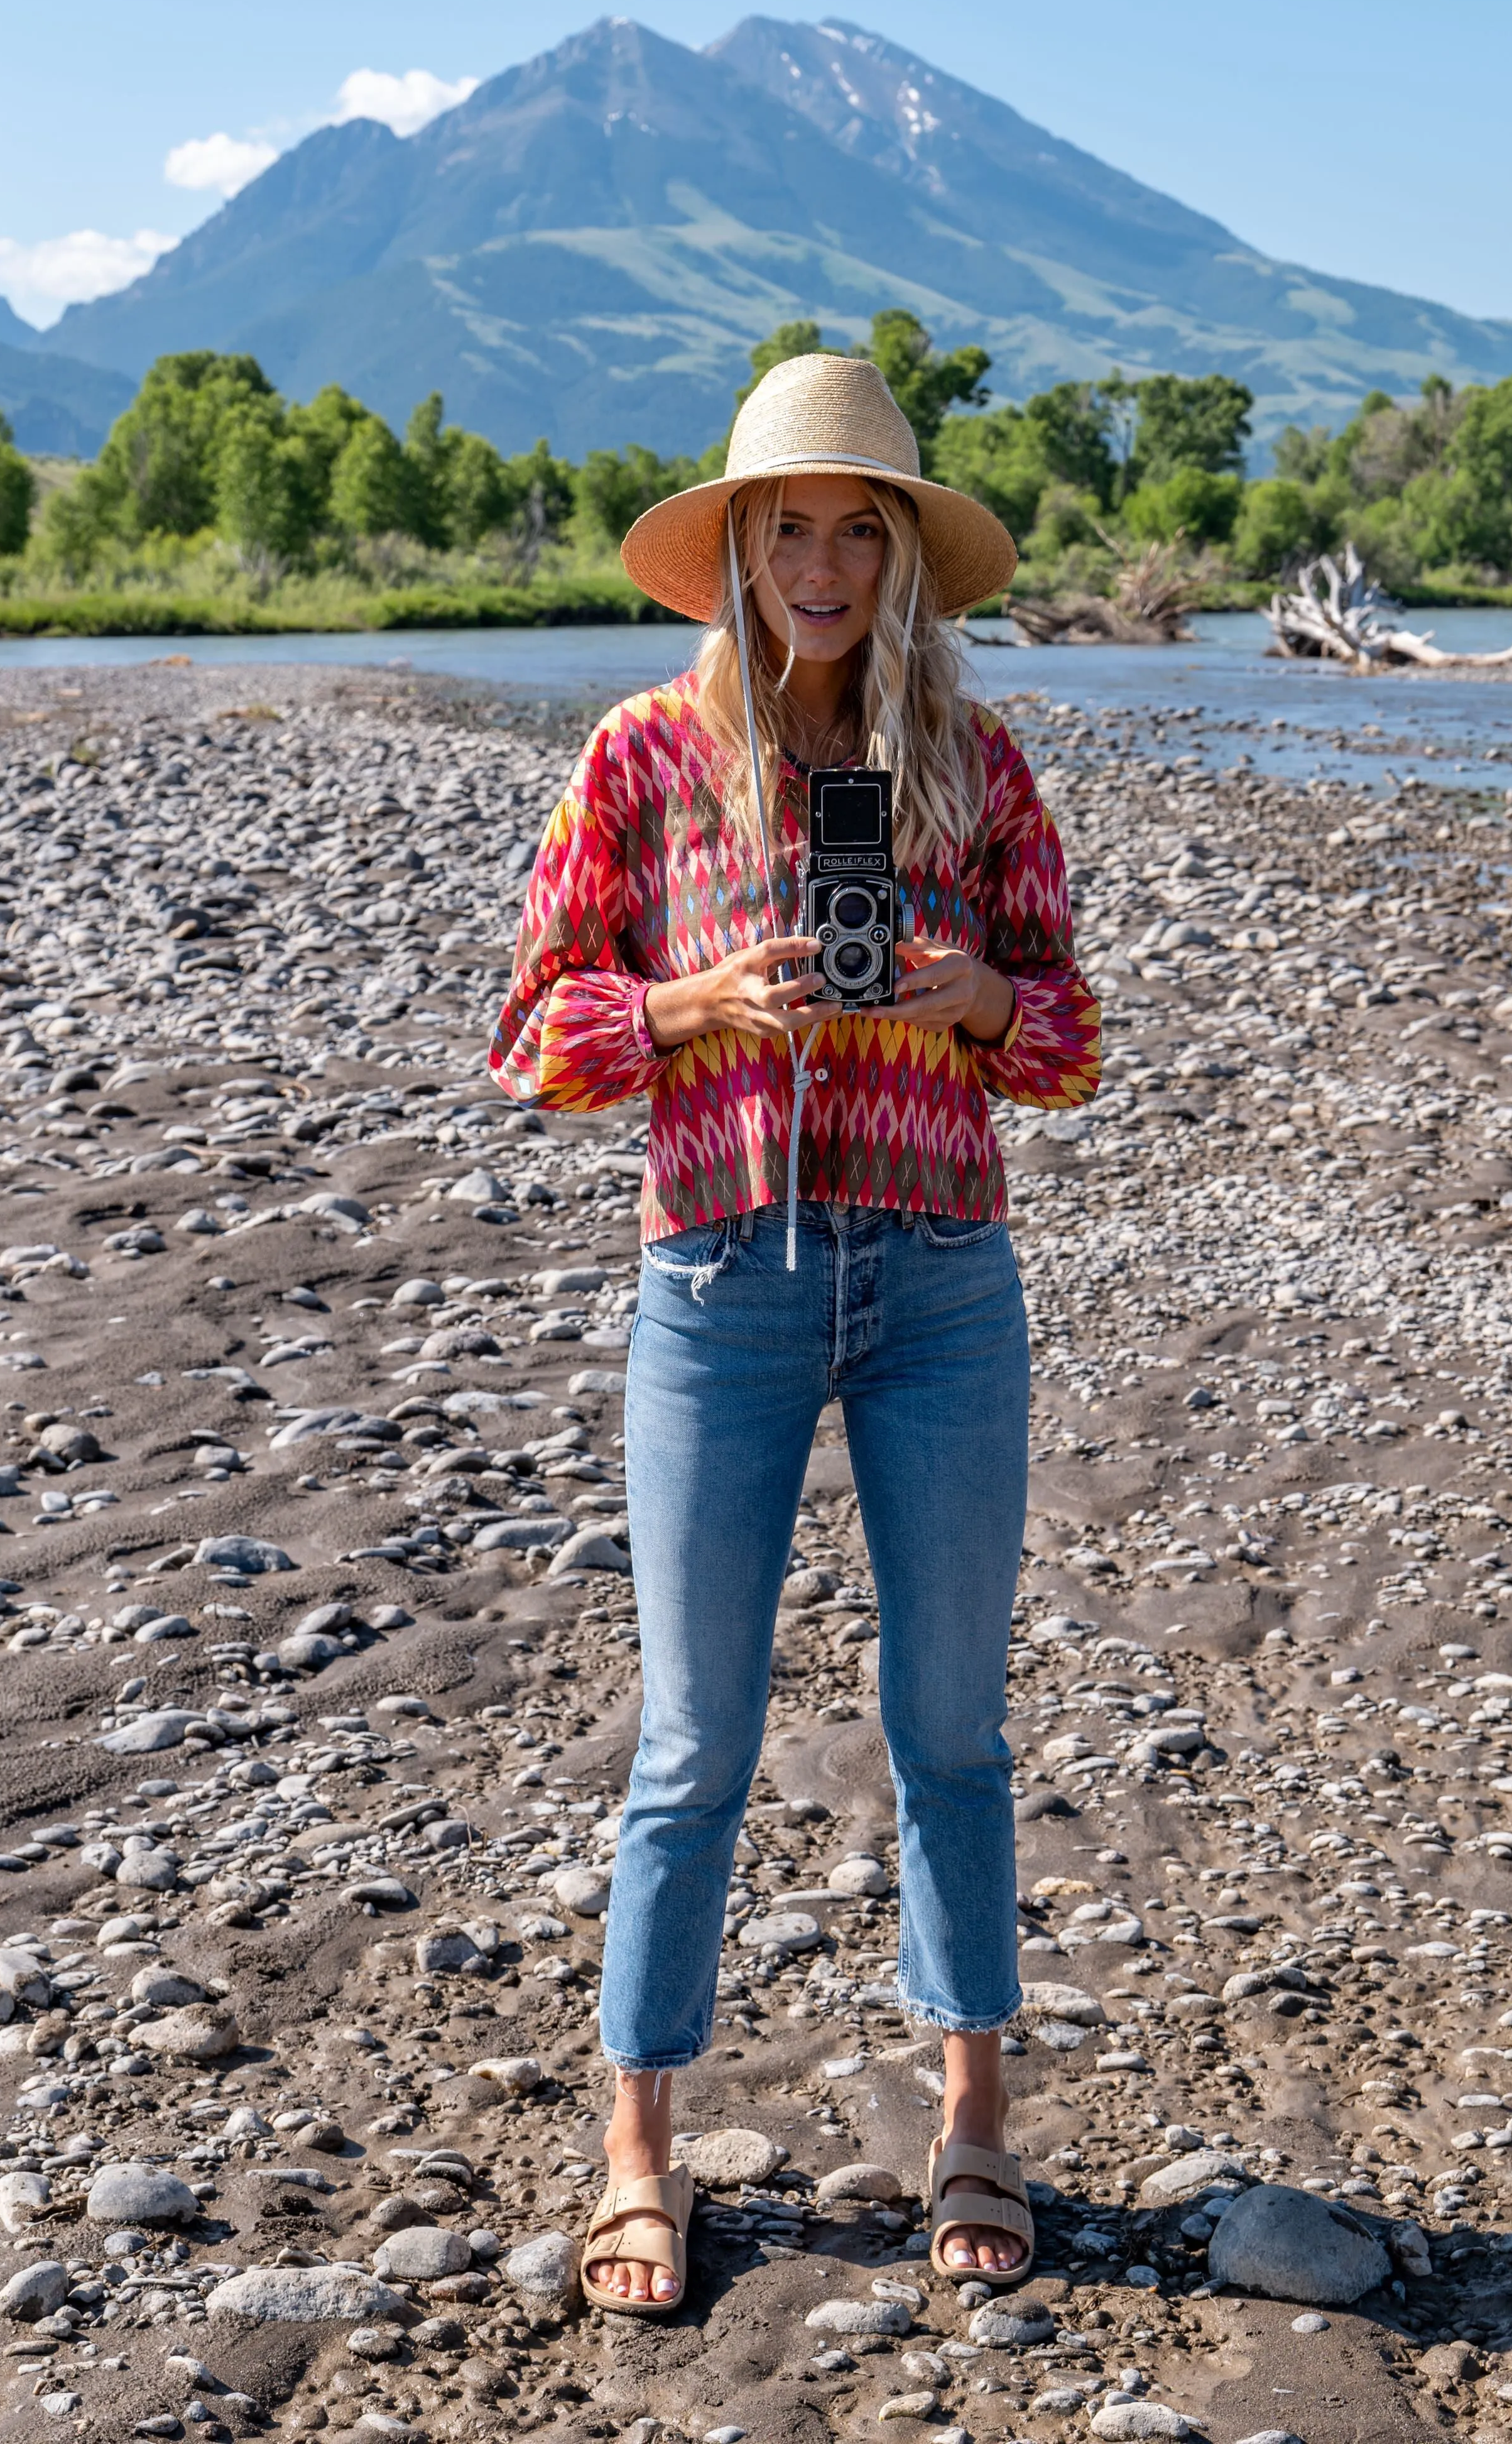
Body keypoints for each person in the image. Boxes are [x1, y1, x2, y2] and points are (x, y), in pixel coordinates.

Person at [491, 351, 1101, 2315]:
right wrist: (694, 1009)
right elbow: (529, 1037)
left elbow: (1075, 1047)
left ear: (905, 558)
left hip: (939, 1282)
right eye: (789, 527)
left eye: (860, 529)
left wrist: (975, 992)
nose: (822, 563)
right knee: (691, 1746)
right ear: (737, 545)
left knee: (950, 1730)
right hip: (720, 1282)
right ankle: (638, 2148)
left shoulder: (977, 770)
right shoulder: (642, 760)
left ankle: (976, 2122)